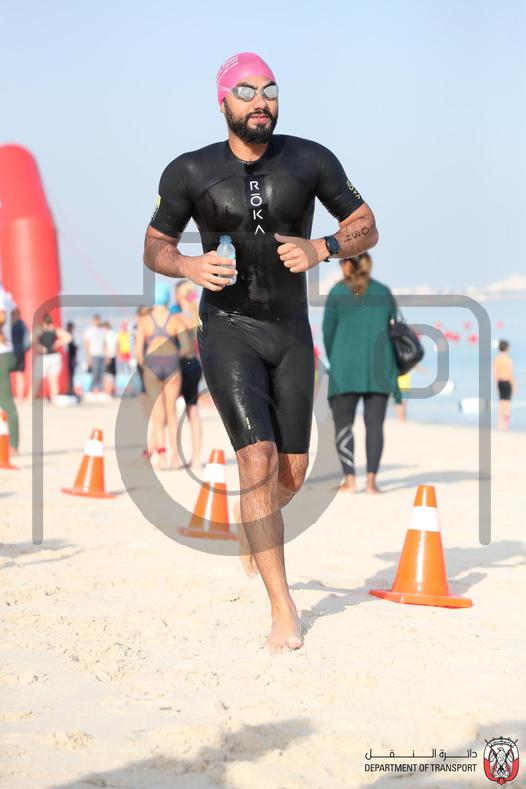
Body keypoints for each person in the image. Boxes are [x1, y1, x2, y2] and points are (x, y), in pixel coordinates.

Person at [143, 52, 378, 652]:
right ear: (222, 101)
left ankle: (256, 525)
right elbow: (155, 245)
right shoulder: (189, 171)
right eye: (246, 91)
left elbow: (366, 223)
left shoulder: (310, 158)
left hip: (291, 330)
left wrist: (324, 247)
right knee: (257, 459)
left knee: (290, 475)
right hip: (228, 328)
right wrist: (188, 265)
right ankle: (283, 606)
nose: (260, 102)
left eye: (269, 90)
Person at [323, 253, 397, 495]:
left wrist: (336, 357)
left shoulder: (337, 292)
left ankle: (351, 480)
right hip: (379, 368)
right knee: (375, 426)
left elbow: (327, 332)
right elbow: (394, 328)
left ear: (348, 264)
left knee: (343, 425)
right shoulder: (383, 292)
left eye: (341, 262)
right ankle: (372, 483)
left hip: (345, 368)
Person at [135, 281, 186, 469]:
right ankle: (175, 458)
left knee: (158, 413)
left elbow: (138, 352)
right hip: (172, 365)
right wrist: (175, 357)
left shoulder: (144, 321)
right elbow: (186, 348)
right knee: (172, 412)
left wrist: (146, 365)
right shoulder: (175, 319)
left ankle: (161, 456)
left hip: (152, 366)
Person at [173, 280, 204, 470]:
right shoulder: (198, 314)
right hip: (196, 365)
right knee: (193, 411)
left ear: (178, 296)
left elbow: (183, 348)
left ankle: (174, 458)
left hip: (179, 365)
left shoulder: (177, 317)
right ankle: (197, 458)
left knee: (170, 412)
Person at [33, 314, 71, 402]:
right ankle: (54, 399)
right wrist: (58, 343)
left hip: (44, 357)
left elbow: (30, 339)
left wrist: (38, 347)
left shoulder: (40, 329)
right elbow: (68, 337)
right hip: (54, 357)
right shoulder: (54, 329)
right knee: (53, 380)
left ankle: (30, 399)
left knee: (36, 380)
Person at [0, 287, 19, 452]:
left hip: (1, 352)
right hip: (6, 351)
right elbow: (16, 312)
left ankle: (13, 444)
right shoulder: (5, 294)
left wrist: (2, 333)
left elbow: (2, 315)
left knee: (5, 399)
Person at [494, 339, 516, 431]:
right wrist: (514, 385)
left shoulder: (497, 359)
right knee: (507, 404)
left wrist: (496, 385)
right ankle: (506, 425)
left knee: (501, 403)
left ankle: (500, 424)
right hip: (507, 382)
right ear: (507, 348)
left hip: (500, 382)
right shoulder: (508, 360)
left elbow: (496, 374)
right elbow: (510, 374)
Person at [11, 308, 30, 404]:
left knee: (5, 375)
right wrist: (25, 348)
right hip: (20, 352)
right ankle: (20, 398)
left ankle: (6, 397)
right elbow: (28, 338)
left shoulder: (8, 324)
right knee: (19, 375)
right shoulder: (21, 324)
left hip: (9, 352)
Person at [83, 314, 106, 392]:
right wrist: (88, 356)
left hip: (101, 355)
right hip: (93, 355)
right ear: (93, 321)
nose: (97, 322)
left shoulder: (101, 330)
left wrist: (106, 355)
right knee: (94, 374)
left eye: (98, 320)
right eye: (96, 320)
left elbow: (104, 343)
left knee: (101, 374)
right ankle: (92, 390)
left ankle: (99, 390)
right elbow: (86, 344)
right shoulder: (89, 331)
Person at [103, 320, 118, 396]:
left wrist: (107, 356)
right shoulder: (112, 334)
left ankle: (109, 390)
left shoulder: (108, 334)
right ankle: (109, 390)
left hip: (110, 356)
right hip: (110, 356)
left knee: (108, 373)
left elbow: (106, 346)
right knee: (110, 373)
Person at [65, 321, 78, 396]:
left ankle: (71, 389)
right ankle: (69, 390)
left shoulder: (69, 335)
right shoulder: (67, 335)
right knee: (70, 374)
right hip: (69, 358)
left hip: (71, 358)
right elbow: (68, 348)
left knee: (71, 374)